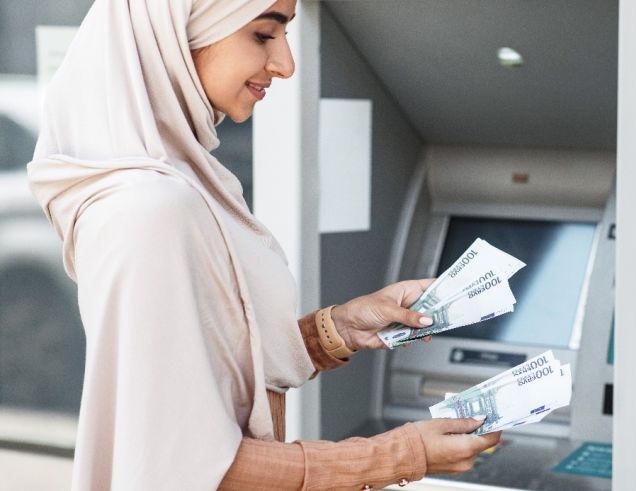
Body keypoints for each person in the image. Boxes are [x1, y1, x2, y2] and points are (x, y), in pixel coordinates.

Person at [27, 0, 501, 489]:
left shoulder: (176, 182)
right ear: (178, 33)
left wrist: (337, 330)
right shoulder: (149, 209)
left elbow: (213, 368)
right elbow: (189, 469)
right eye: (262, 35)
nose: (286, 64)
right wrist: (399, 455)